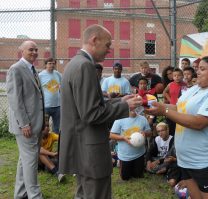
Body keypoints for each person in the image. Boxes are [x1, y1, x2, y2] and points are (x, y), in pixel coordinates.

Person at [58, 25, 142, 199]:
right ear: (94, 40)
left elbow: (87, 104)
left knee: (84, 193)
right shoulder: (85, 66)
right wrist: (125, 107)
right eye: (107, 45)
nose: (109, 50)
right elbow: (91, 113)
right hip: (90, 148)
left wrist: (119, 101)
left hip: (81, 146)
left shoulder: (75, 63)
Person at [146, 55, 208, 199]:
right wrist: (158, 106)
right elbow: (179, 108)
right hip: (185, 159)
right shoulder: (195, 89)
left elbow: (199, 122)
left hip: (204, 161)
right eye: (198, 68)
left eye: (203, 69)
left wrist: (165, 111)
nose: (198, 72)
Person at [6, 40, 44, 199]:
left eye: (36, 49)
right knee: (31, 162)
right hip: (25, 126)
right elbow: (15, 100)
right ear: (21, 51)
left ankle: (20, 194)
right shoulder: (16, 69)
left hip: (35, 123)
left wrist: (43, 121)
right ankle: (35, 195)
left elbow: (39, 97)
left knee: (25, 160)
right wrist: (24, 124)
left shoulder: (32, 69)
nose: (34, 52)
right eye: (31, 50)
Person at [110, 111, 151, 180]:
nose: (134, 108)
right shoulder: (119, 119)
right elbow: (111, 135)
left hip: (139, 154)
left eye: (136, 106)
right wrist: (123, 138)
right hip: (125, 156)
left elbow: (149, 133)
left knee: (138, 176)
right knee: (125, 178)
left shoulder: (143, 119)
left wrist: (145, 133)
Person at [38, 57, 62, 134]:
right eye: (49, 63)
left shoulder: (58, 74)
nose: (52, 65)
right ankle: (45, 144)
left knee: (57, 127)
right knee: (45, 128)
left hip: (57, 106)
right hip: (46, 106)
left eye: (53, 63)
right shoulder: (40, 75)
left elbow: (62, 85)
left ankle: (56, 142)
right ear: (45, 65)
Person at [39, 116, 65, 182]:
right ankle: (57, 173)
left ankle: (51, 167)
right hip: (38, 161)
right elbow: (39, 149)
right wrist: (52, 154)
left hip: (48, 158)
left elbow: (62, 138)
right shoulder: (37, 137)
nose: (47, 128)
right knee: (40, 153)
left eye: (48, 126)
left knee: (55, 159)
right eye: (45, 126)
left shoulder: (51, 135)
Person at [163, 68, 187, 136]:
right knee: (171, 126)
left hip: (181, 109)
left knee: (180, 127)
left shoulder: (185, 85)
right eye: (175, 75)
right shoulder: (170, 84)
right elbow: (164, 92)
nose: (177, 77)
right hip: (171, 108)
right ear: (173, 77)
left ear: (182, 76)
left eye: (179, 75)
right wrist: (170, 99)